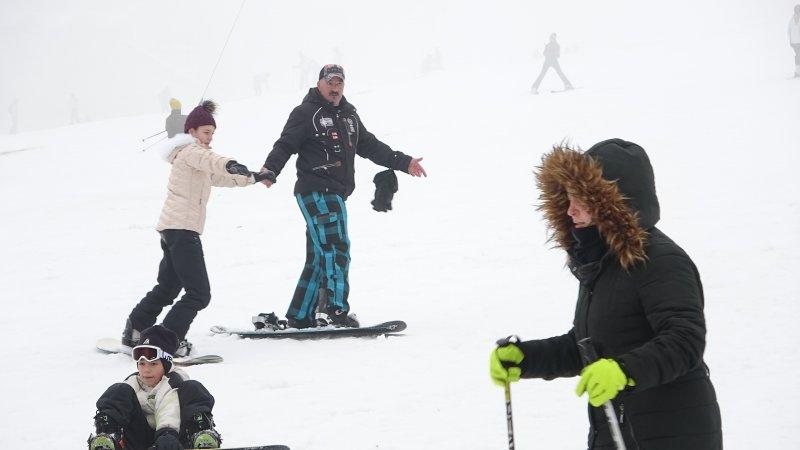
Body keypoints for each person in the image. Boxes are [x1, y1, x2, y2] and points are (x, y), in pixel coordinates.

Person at [490, 139, 722, 449]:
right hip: (619, 430)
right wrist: (528, 359)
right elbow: (591, 347)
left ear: (614, 202)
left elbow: (685, 340)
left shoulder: (660, 259)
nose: (571, 210)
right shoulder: (604, 262)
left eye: (581, 200)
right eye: (568, 199)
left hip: (672, 432)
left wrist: (624, 371)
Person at [260, 64, 427, 329]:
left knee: (319, 254)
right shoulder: (306, 113)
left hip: (335, 193)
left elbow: (370, 145)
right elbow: (285, 144)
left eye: (339, 83)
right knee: (337, 248)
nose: (335, 88)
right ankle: (336, 311)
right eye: (330, 82)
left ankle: (301, 315)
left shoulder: (349, 116)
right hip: (316, 189)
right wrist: (270, 169)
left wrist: (403, 162)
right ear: (319, 84)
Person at [122, 100, 273, 355]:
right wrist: (230, 163)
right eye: (205, 132)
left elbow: (219, 177)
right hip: (182, 230)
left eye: (212, 134)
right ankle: (165, 340)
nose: (209, 138)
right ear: (191, 131)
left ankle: (136, 329)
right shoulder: (192, 151)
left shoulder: (192, 158)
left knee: (168, 288)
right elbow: (214, 162)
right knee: (199, 293)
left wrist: (253, 177)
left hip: (174, 229)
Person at [89, 325, 222, 449]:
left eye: (153, 364)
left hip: (173, 441)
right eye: (142, 364)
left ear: (166, 365)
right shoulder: (132, 383)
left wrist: (167, 434)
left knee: (193, 388)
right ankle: (108, 435)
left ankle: (201, 433)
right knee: (118, 390)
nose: (146, 370)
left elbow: (168, 410)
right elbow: (116, 405)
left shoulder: (173, 382)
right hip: (138, 441)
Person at [789, 4, 800, 78]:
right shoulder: (792, 20)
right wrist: (790, 40)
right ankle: (797, 72)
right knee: (798, 56)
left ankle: (797, 72)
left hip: (795, 41)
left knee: (798, 56)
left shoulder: (792, 19)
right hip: (795, 42)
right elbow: (789, 30)